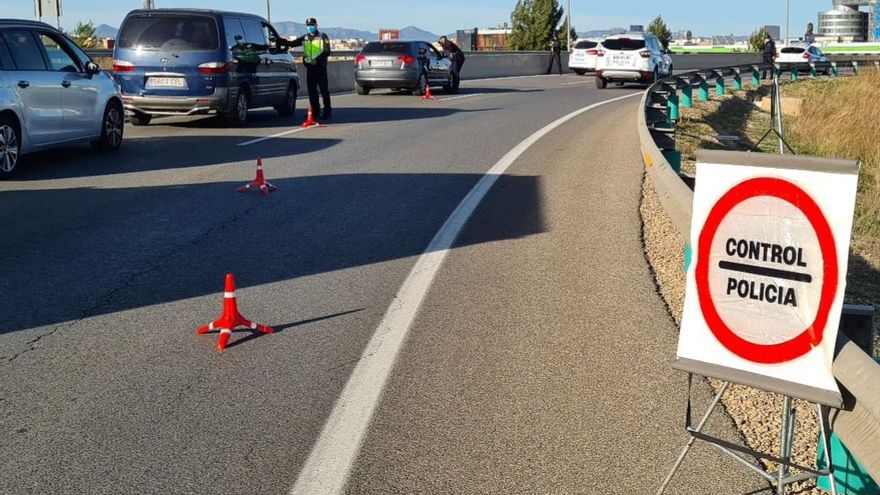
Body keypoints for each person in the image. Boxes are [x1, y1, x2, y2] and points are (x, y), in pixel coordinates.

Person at [280, 18, 332, 119]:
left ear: (316, 25)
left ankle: (327, 111)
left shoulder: (322, 36)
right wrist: (282, 41)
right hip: (310, 68)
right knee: (312, 92)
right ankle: (315, 112)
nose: (310, 27)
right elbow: (293, 43)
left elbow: (327, 51)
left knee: (324, 91)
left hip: (320, 68)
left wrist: (317, 59)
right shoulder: (305, 38)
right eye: (308, 25)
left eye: (312, 25)